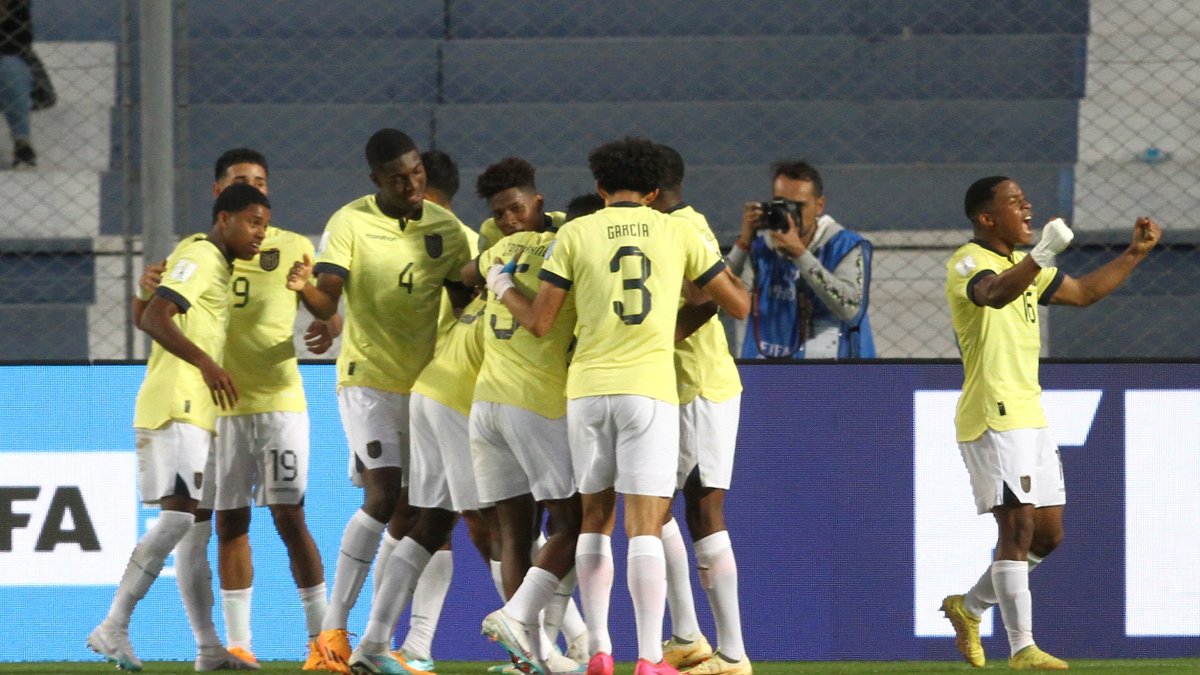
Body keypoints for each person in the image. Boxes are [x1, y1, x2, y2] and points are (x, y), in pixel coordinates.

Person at [487, 137, 750, 675]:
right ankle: (651, 657)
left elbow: (539, 322)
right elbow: (738, 303)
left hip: (586, 391)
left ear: (600, 187)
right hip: (648, 389)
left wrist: (502, 285)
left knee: (593, 521)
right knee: (646, 525)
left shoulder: (575, 233)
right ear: (655, 191)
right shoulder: (675, 230)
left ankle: (600, 650)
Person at [940, 176, 1161, 671]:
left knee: (1047, 536)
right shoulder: (969, 261)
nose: (1027, 205)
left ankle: (969, 607)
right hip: (992, 412)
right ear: (986, 218)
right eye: (1014, 202)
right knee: (1016, 526)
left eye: (1025, 199)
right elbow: (993, 294)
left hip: (1029, 413)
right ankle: (1022, 649)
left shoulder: (1027, 269)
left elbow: (1082, 293)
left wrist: (1135, 254)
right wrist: (1039, 254)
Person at [137, 149, 338, 670]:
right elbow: (155, 309)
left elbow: (326, 308)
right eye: (244, 183)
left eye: (262, 183)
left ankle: (323, 643)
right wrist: (145, 292)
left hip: (279, 400)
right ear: (219, 198)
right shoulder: (198, 252)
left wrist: (324, 318)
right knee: (230, 522)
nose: (258, 190)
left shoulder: (292, 245)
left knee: (291, 516)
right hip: (221, 406)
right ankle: (240, 643)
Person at [299, 128, 473, 674]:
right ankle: (332, 631)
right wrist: (311, 296)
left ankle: (403, 646)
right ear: (376, 180)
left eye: (417, 172)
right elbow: (329, 292)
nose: (412, 184)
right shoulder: (350, 223)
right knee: (383, 495)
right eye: (399, 178)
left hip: (428, 390)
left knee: (427, 517)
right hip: (368, 378)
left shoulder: (448, 230)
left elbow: (468, 306)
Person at [87, 183, 269, 673]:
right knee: (177, 520)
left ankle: (210, 649)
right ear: (224, 218)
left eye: (265, 226)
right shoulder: (204, 254)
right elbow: (154, 317)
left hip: (197, 409)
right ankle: (114, 624)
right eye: (253, 222)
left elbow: (148, 303)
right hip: (177, 402)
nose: (259, 233)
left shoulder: (213, 262)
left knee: (193, 530)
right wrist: (208, 363)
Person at [462, 157, 583, 675]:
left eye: (516, 209)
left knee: (515, 534)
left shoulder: (497, 250)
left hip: (485, 404)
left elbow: (466, 274)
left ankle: (529, 660)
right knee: (575, 522)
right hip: (533, 401)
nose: (510, 220)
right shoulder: (571, 244)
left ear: (537, 203)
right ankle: (520, 616)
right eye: (501, 213)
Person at [650, 145, 751, 675]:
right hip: (678, 386)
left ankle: (726, 651)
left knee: (693, 510)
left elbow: (721, 298)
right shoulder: (679, 225)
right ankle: (690, 639)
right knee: (670, 510)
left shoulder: (684, 227)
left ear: (649, 191)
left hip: (699, 385)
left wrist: (661, 337)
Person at [727, 160, 873, 359]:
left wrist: (800, 255)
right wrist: (743, 243)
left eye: (798, 206)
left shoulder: (844, 245)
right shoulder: (760, 247)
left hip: (833, 371)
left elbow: (851, 310)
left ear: (819, 205)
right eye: (782, 204)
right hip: (768, 368)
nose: (790, 213)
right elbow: (723, 298)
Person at [0, 0, 36, 168]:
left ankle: (22, 144)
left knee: (9, 68)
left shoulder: (18, 6)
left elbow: (19, 44)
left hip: (8, 65)